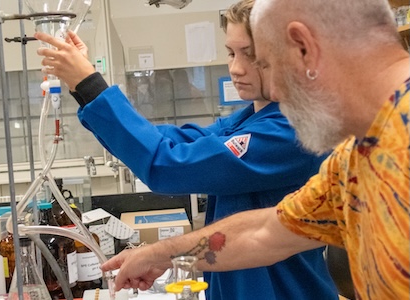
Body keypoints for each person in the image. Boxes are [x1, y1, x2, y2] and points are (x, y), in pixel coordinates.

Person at [94, 0, 409, 299]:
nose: (275, 92)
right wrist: (158, 254)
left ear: (304, 48)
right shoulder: (354, 157)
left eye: (268, 64)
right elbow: (265, 232)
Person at [35, 1, 339, 299]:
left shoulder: (292, 130)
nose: (236, 68)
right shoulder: (249, 120)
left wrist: (90, 84)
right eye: (231, 53)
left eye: (251, 55)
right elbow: (173, 142)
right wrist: (84, 90)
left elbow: (169, 164)